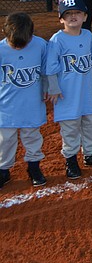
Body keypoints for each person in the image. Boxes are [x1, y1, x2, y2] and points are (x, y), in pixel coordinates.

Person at [45, 0, 92, 179]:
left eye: (77, 13)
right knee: (70, 127)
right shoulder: (57, 40)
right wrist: (54, 88)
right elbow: (50, 68)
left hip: (86, 92)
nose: (73, 17)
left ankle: (90, 154)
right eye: (68, 14)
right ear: (61, 19)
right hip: (66, 94)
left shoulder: (88, 36)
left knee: (89, 123)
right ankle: (71, 159)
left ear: (85, 16)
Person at [0, 12, 58, 188]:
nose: (18, 47)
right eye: (14, 44)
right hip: (6, 105)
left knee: (32, 137)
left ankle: (34, 167)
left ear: (31, 34)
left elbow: (46, 69)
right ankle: (3, 170)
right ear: (5, 33)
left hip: (32, 103)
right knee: (5, 139)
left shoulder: (40, 45)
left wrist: (48, 87)